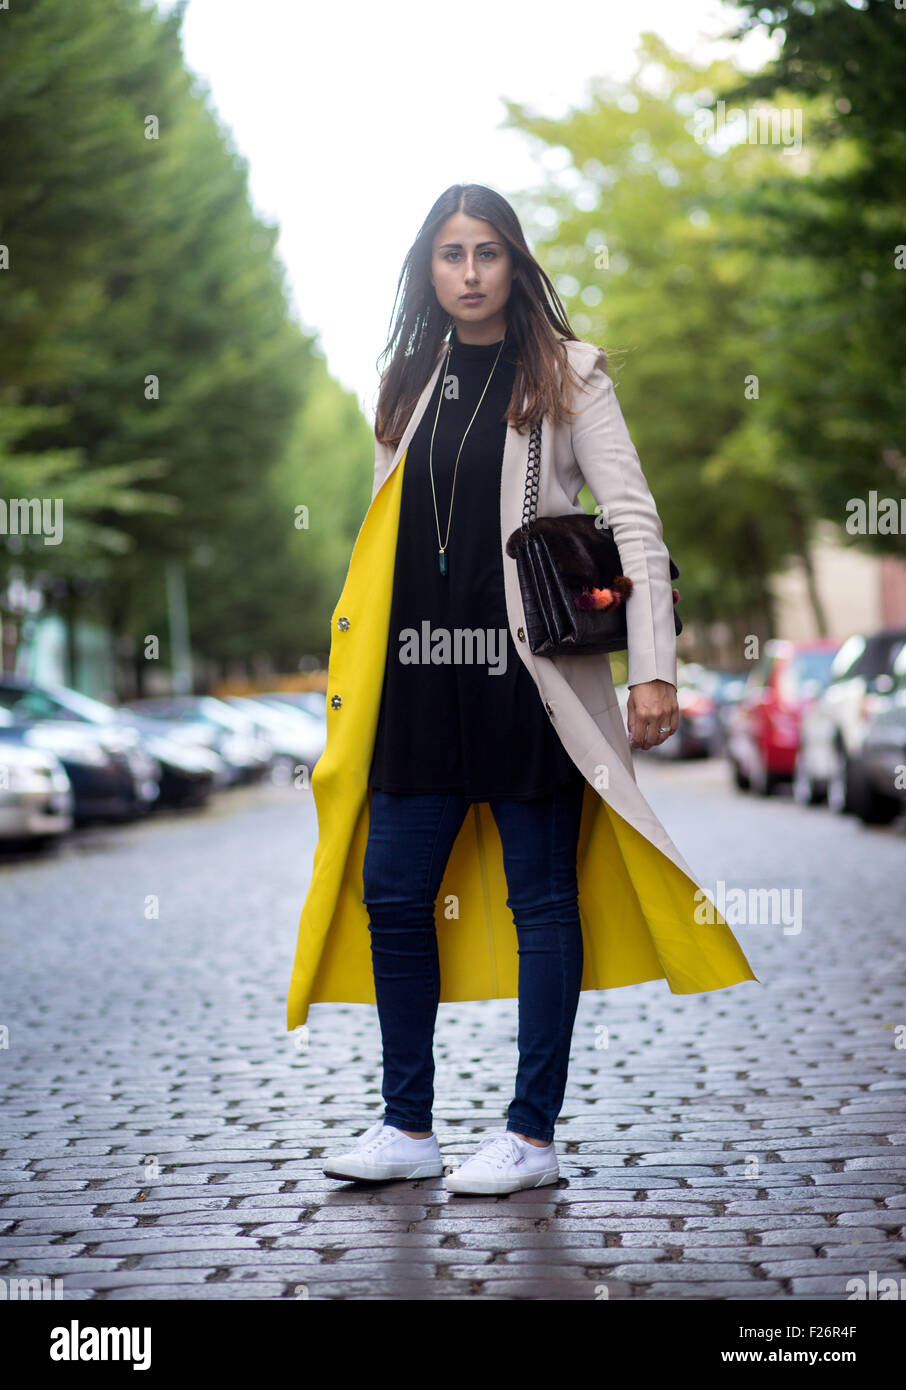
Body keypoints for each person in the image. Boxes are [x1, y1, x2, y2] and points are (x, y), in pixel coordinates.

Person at [320, 184, 683, 1195]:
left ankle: (530, 1137)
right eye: (451, 254)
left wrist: (653, 665)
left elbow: (635, 522)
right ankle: (408, 1126)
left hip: (531, 681)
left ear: (515, 265)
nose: (471, 272)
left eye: (488, 252)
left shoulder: (569, 376)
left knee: (542, 900)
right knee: (393, 892)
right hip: (420, 677)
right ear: (427, 272)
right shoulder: (404, 384)